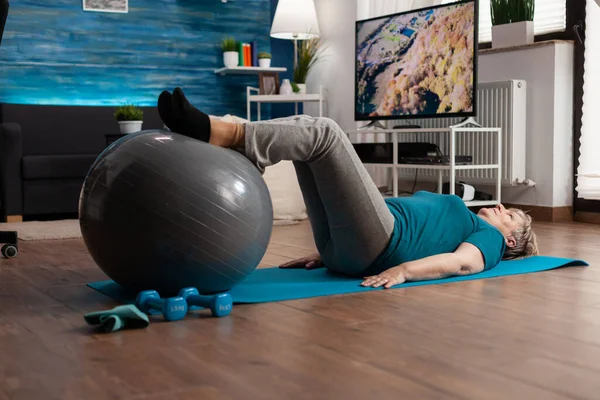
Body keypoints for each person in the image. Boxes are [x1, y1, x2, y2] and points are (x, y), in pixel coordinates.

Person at [157, 87, 539, 289]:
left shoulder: (487, 239)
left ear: (510, 240)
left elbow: (463, 263)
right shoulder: (473, 222)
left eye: (512, 216)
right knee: (310, 133)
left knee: (325, 133)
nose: (502, 209)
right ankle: (244, 146)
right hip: (349, 248)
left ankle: (224, 133)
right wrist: (330, 254)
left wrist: (405, 272)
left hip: (379, 243)